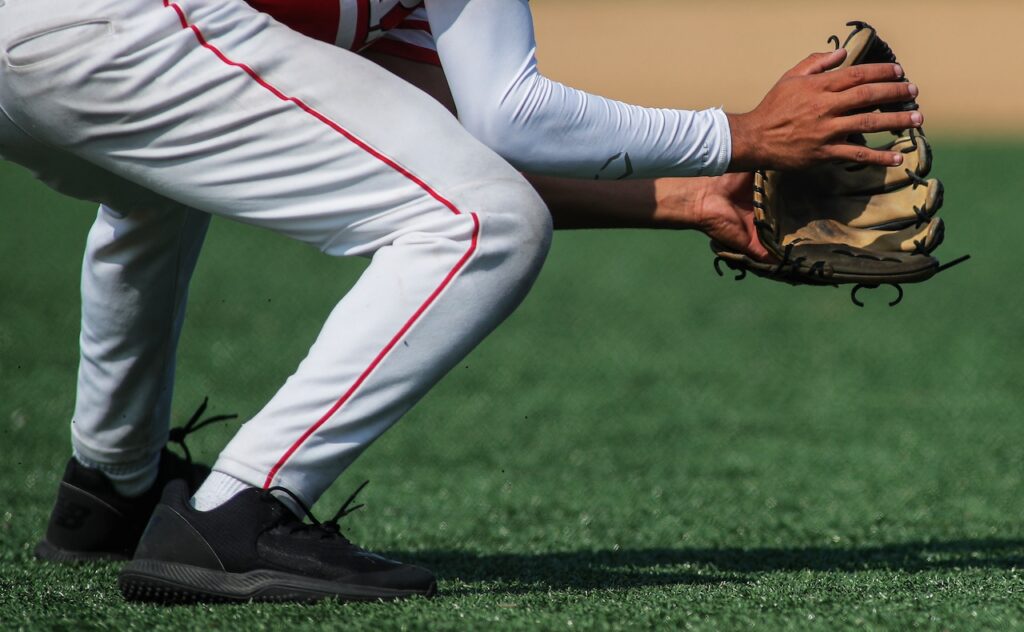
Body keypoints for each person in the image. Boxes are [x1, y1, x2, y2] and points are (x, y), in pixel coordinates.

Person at [3, 0, 920, 602]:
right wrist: (745, 133)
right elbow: (510, 116)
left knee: (159, 185)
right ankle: (236, 515)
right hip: (109, 24)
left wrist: (690, 196)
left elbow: (447, 143)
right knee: (486, 226)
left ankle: (108, 491)